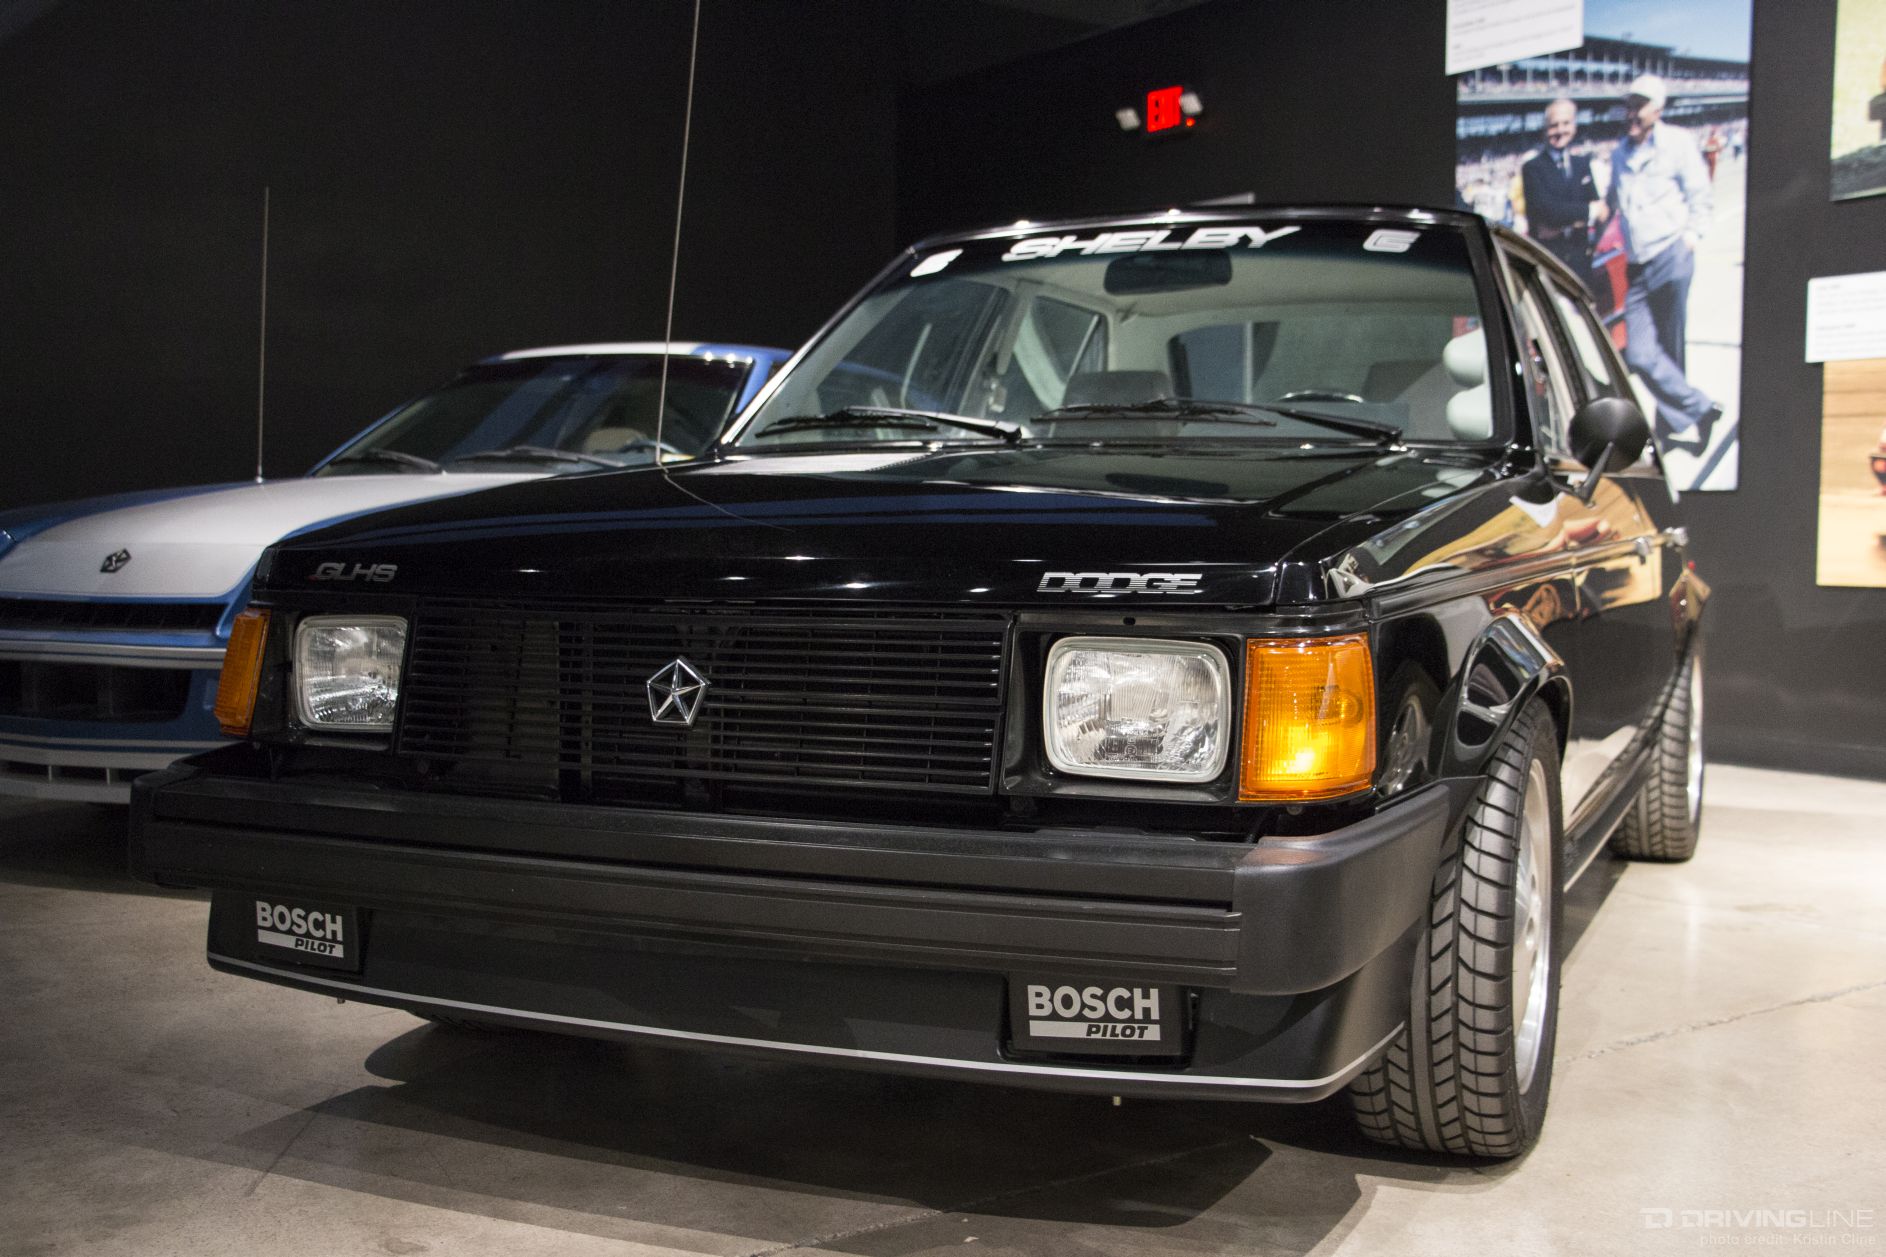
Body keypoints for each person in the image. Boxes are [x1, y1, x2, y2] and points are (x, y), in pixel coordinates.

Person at [1603, 74, 1722, 450]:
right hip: (1639, 263)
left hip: (1671, 253)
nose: (1633, 113)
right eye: (1630, 105)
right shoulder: (1620, 152)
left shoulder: (1678, 143)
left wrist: (1692, 237)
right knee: (1638, 353)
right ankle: (1701, 409)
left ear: (1658, 109)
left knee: (1671, 346)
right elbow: (1613, 201)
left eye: (1640, 106)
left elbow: (1701, 195)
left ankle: (1670, 427)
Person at [1520, 98, 1601, 291]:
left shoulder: (1582, 164)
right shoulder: (1532, 168)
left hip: (1580, 261)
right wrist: (1586, 212)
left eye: (1565, 124)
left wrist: (1563, 222)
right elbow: (1548, 212)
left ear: (1574, 126)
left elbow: (1599, 207)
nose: (1560, 130)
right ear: (1544, 130)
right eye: (1553, 125)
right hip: (1549, 261)